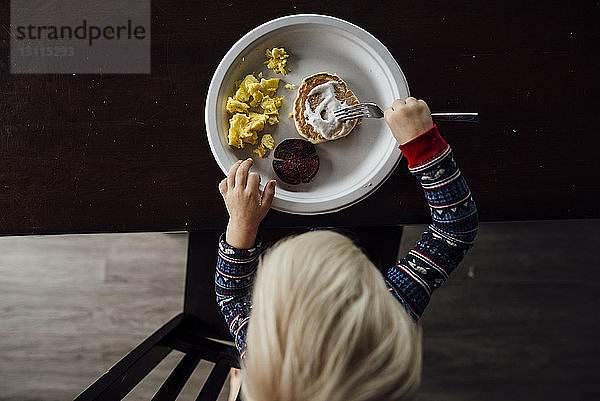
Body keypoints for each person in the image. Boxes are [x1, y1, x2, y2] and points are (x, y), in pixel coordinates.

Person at [215, 97, 479, 401]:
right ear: (374, 296)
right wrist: (422, 145)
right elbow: (455, 229)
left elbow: (231, 295)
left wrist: (242, 225)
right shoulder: (387, 317)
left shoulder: (258, 347)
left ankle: (238, 383)